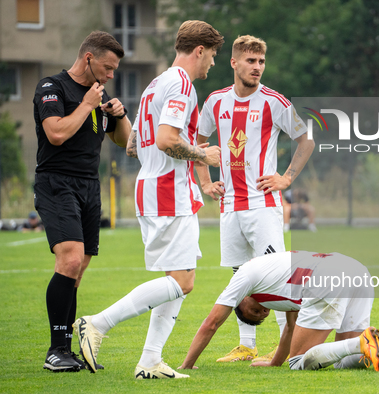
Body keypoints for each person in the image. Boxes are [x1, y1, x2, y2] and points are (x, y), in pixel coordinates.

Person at [72, 20, 224, 379]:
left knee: (176, 279)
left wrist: (187, 147)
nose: (213, 64)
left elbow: (133, 145)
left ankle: (150, 361)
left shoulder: (157, 82)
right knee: (184, 281)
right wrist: (202, 156)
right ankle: (97, 323)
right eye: (213, 55)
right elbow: (166, 140)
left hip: (155, 187)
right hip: (169, 191)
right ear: (199, 50)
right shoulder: (182, 85)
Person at [196, 35, 315, 362]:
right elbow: (198, 141)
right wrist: (206, 181)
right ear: (234, 63)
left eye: (261, 62)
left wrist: (286, 178)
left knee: (277, 279)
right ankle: (246, 345)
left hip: (264, 207)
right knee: (240, 278)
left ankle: (287, 348)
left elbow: (306, 140)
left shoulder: (274, 102)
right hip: (230, 206)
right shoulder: (216, 102)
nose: (257, 67)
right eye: (251, 61)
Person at [33, 31, 131, 372]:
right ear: (88, 58)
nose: (110, 76)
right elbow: (56, 133)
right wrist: (88, 104)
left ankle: (65, 349)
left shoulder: (100, 95)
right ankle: (55, 350)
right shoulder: (52, 87)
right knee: (71, 260)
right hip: (56, 182)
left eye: (114, 70)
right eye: (107, 67)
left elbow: (124, 141)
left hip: (90, 186)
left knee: (78, 268)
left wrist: (119, 115)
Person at [179, 251, 379, 372]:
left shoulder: (242, 278)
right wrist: (273, 363)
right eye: (259, 317)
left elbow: (211, 323)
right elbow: (290, 327)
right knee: (346, 359)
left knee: (298, 362)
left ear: (241, 301)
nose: (262, 314)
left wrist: (187, 364)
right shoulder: (272, 274)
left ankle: (360, 342)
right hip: (354, 268)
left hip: (326, 277)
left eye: (254, 311)